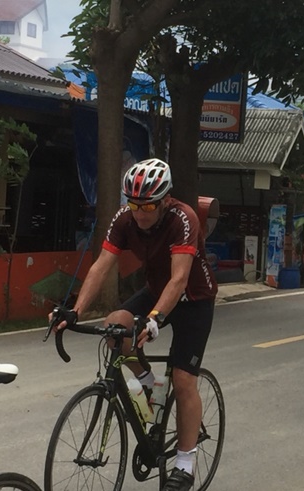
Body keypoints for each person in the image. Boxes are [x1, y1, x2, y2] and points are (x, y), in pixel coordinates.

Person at [50, 158, 216, 491]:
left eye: (149, 205)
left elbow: (180, 279)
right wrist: (76, 310)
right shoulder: (125, 218)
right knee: (115, 328)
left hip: (193, 299)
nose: (140, 212)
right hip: (156, 290)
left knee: (183, 380)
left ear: (166, 200)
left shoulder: (183, 219)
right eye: (134, 203)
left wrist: (155, 319)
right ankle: (149, 385)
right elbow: (101, 266)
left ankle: (185, 464)